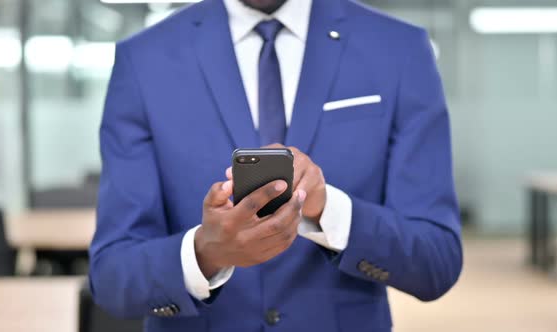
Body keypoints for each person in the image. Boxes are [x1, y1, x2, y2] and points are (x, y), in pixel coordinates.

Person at [89, 0, 463, 331]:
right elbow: (112, 276)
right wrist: (205, 253)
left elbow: (436, 261)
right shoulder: (144, 60)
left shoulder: (398, 50)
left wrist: (326, 210)